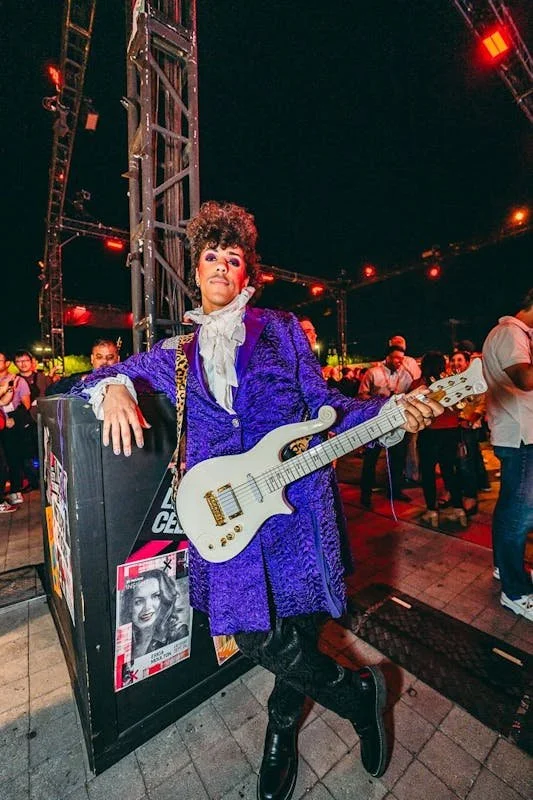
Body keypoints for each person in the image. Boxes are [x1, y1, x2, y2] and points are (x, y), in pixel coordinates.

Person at [72, 201, 442, 799]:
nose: (221, 266)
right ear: (196, 271)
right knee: (250, 634)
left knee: (297, 627)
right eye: (211, 256)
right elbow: (94, 377)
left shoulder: (284, 330)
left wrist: (388, 413)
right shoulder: (177, 355)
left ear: (249, 274)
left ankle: (278, 736)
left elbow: (329, 409)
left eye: (233, 258)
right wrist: (114, 387)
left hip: (296, 510)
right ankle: (357, 694)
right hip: (230, 520)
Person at [482, 288, 533, 622]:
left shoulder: (508, 333)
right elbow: (526, 379)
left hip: (516, 432)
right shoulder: (511, 333)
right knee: (520, 514)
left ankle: (505, 566)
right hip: (520, 435)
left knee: (511, 508)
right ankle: (516, 592)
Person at [414, 352, 467, 528]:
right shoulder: (450, 383)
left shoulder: (419, 386)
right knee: (450, 470)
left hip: (429, 433)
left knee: (428, 472)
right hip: (451, 431)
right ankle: (459, 510)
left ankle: (432, 511)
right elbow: (461, 405)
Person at [358, 346, 414, 507]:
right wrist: (377, 401)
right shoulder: (373, 373)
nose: (399, 362)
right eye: (396, 358)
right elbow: (361, 394)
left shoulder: (405, 376)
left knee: (397, 459)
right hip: (375, 423)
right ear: (388, 357)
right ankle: (366, 495)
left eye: (402, 359)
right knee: (371, 459)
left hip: (396, 424)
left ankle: (395, 491)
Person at [120, 569, 189, 658]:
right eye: (138, 602)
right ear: (129, 606)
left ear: (165, 598)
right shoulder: (126, 640)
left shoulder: (177, 633)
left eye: (155, 596)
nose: (147, 608)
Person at [0, 352, 31, 510]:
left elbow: (25, 405)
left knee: (13, 457)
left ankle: (15, 490)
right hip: (1, 422)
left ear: (7, 363)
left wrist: (14, 420)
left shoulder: (18, 380)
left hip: (11, 424)